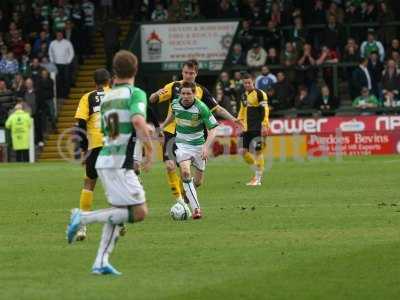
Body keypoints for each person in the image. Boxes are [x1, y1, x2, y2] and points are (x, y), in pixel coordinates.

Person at [66, 50, 153, 275]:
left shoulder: (108, 98)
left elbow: (106, 130)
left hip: (105, 157)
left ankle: (100, 262)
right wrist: (150, 147)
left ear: (115, 72)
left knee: (118, 211)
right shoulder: (136, 93)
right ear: (136, 70)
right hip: (119, 162)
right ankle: (83, 216)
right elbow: (136, 120)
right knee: (139, 212)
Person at [149, 59, 240, 203]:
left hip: (194, 135)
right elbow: (153, 99)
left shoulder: (202, 91)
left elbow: (218, 109)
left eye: (191, 73)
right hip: (172, 131)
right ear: (182, 72)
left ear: (196, 74)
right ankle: (179, 200)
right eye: (185, 72)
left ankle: (186, 196)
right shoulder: (173, 87)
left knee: (196, 180)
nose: (188, 75)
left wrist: (233, 119)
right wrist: (155, 94)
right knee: (170, 165)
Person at [160, 81, 218, 219]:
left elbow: (214, 128)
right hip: (182, 145)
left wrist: (205, 146)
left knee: (197, 182)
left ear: (194, 94)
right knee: (185, 173)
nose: (185, 96)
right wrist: (163, 126)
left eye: (189, 93)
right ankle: (196, 209)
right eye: (183, 93)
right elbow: (173, 114)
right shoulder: (175, 103)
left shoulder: (201, 107)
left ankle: (186, 199)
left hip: (198, 146)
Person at [74, 68, 111, 241]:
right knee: (115, 185)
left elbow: (80, 123)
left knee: (89, 183)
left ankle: (82, 227)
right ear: (109, 81)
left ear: (94, 83)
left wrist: (83, 148)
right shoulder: (118, 95)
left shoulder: (88, 97)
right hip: (115, 146)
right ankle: (118, 221)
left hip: (96, 144)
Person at [238, 73, 269, 186]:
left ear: (253, 82)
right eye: (245, 83)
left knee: (257, 151)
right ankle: (257, 170)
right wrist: (238, 121)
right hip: (246, 128)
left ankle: (258, 178)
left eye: (249, 83)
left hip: (257, 127)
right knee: (242, 151)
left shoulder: (260, 94)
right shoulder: (243, 95)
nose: (247, 85)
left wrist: (264, 124)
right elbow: (242, 110)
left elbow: (265, 110)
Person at [48, 31, 74, 99]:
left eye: (60, 34)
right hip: (56, 65)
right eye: (58, 35)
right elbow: (50, 53)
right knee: (57, 80)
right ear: (56, 35)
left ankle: (66, 95)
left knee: (66, 80)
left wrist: (68, 61)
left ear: (62, 35)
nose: (59, 36)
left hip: (65, 65)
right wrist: (52, 61)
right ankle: (58, 95)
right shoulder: (52, 43)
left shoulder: (67, 42)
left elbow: (72, 53)